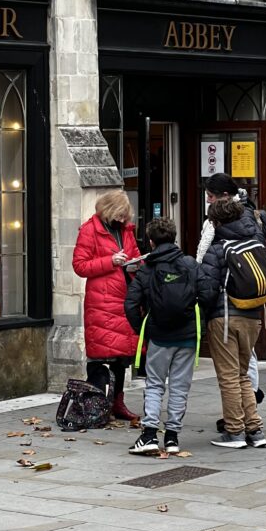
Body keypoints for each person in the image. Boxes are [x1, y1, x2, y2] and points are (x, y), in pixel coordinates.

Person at [124, 217, 212, 454]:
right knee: (180, 387)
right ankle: (172, 438)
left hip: (159, 336)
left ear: (151, 242)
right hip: (187, 337)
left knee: (154, 385)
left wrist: (142, 328)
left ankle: (150, 434)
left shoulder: (147, 270)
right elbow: (207, 295)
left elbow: (131, 304)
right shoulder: (190, 264)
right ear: (174, 238)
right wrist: (198, 324)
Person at [201, 194, 266, 449]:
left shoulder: (218, 248)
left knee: (228, 377)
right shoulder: (255, 239)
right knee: (242, 375)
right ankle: (255, 429)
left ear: (215, 221)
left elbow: (207, 289)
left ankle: (235, 431)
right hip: (253, 316)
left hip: (225, 318)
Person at [72, 190, 142, 420]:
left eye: (125, 215)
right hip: (102, 301)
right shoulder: (89, 230)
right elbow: (80, 266)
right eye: (120, 214)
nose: (123, 219)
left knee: (122, 356)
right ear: (109, 210)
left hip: (124, 298)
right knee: (101, 355)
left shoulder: (126, 230)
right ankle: (97, 404)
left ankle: (116, 403)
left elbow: (135, 255)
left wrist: (135, 264)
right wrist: (110, 262)